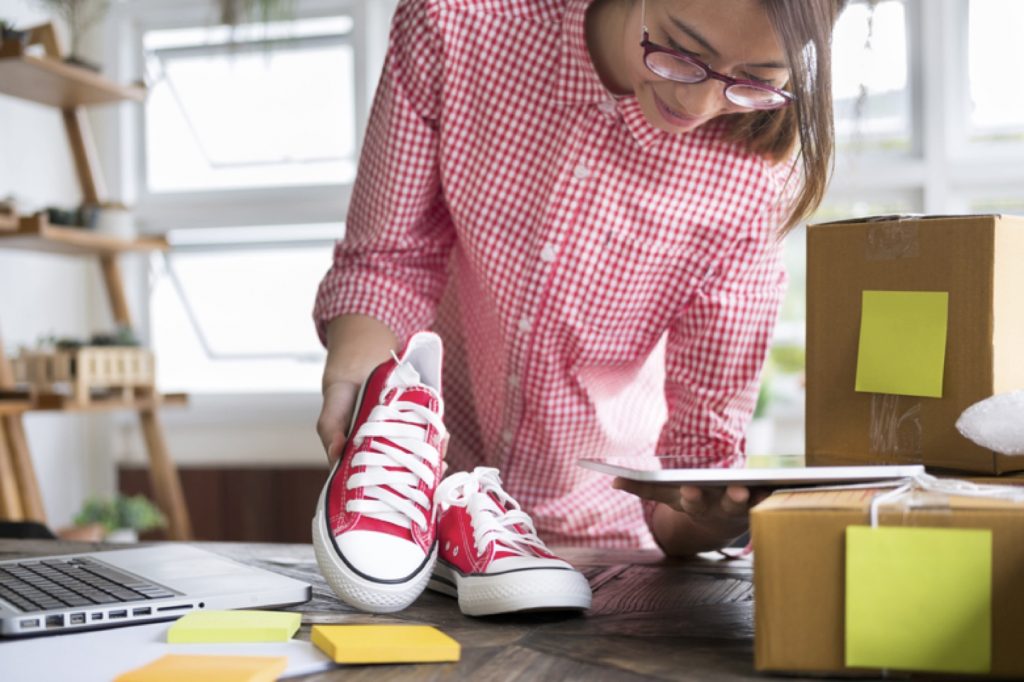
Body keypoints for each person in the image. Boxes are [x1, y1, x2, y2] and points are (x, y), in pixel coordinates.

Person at [314, 0, 844, 555]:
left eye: (755, 81)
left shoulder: (753, 180)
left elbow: (693, 473)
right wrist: (356, 387)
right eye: (682, 51)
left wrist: (715, 518)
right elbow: (390, 259)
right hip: (418, 504)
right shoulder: (457, 25)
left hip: (600, 538)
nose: (699, 100)